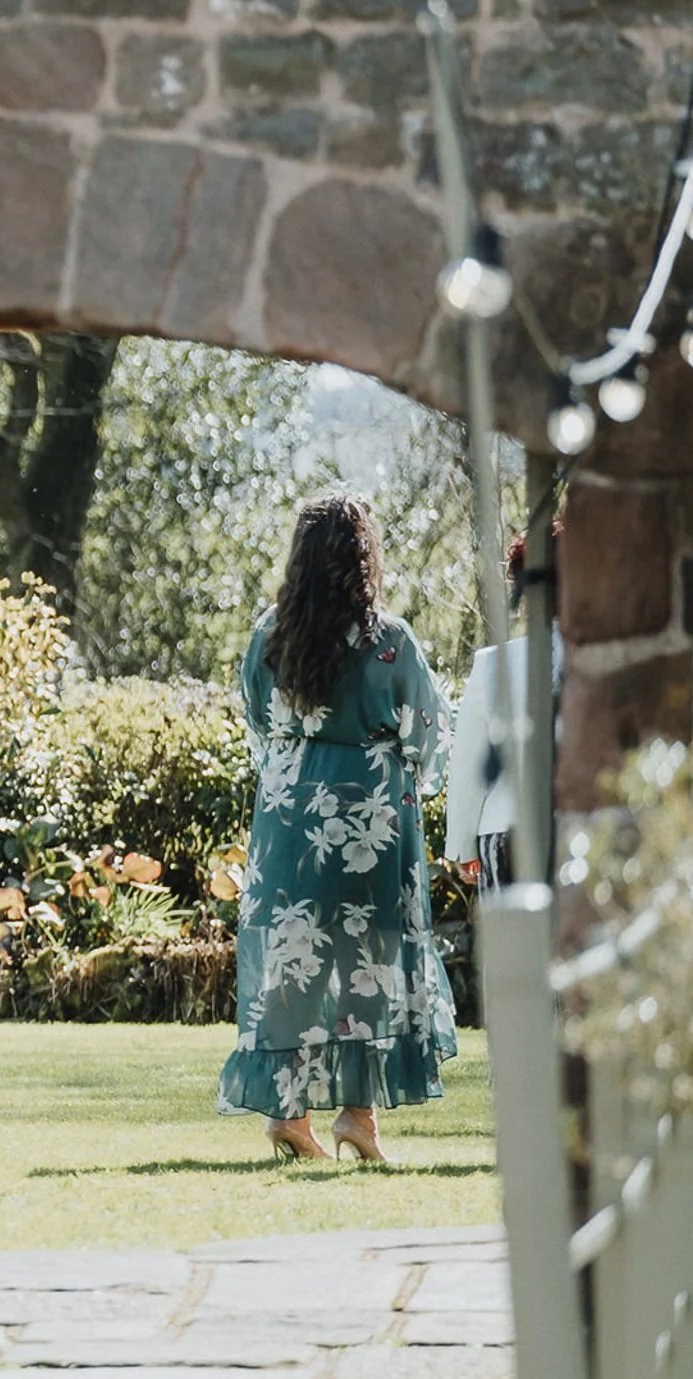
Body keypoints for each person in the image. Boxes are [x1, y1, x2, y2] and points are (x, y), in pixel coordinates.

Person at [218, 492, 456, 1163]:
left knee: (296, 960)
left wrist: (297, 760)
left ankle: (289, 1115)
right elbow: (427, 731)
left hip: (293, 815)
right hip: (373, 817)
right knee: (371, 961)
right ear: (363, 557)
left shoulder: (272, 633)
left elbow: (258, 719)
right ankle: (359, 1116)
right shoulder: (391, 639)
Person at [445, 523, 563, 892]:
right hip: (580, 831)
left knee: (515, 946)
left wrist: (462, 845)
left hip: (504, 831)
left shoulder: (493, 664)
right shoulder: (604, 664)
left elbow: (469, 765)